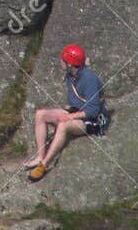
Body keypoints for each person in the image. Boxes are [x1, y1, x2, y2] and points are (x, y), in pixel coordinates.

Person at [26, 44, 109, 181]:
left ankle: (44, 165)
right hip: (78, 111)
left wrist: (70, 116)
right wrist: (67, 111)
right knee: (41, 114)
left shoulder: (89, 79)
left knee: (63, 125)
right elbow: (73, 100)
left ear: (70, 64)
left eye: (63, 60)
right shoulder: (71, 75)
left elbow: (93, 110)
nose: (60, 62)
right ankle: (40, 156)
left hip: (93, 119)